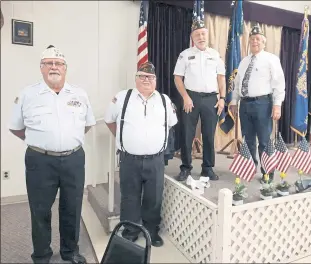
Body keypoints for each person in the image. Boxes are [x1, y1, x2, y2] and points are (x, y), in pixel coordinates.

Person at [8, 45, 96, 264]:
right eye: (49, 63)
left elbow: (87, 124)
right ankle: (41, 255)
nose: (54, 67)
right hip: (40, 160)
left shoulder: (79, 94)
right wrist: (41, 143)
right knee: (40, 210)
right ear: (41, 68)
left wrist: (66, 140)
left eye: (58, 64)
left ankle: (70, 252)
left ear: (65, 68)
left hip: (74, 159)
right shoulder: (27, 94)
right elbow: (16, 128)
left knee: (72, 207)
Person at [104, 62, 178, 247]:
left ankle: (152, 231)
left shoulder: (165, 100)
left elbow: (170, 125)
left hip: (155, 160)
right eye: (142, 76)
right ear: (136, 79)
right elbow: (110, 121)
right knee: (129, 196)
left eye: (150, 77)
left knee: (154, 197)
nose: (146, 79)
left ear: (155, 80)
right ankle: (130, 230)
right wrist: (126, 140)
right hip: (129, 159)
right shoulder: (122, 98)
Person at [229, 25, 286, 182]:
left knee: (264, 140)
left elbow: (279, 84)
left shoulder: (271, 59)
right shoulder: (243, 61)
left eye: (258, 39)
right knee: (247, 139)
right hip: (245, 105)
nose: (255, 41)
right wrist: (234, 101)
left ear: (264, 42)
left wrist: (277, 105)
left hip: (263, 104)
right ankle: (249, 169)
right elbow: (237, 83)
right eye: (252, 39)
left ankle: (267, 173)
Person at [173, 19, 226, 181]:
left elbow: (221, 78)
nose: (201, 37)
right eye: (197, 34)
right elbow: (177, 78)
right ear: (192, 37)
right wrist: (186, 97)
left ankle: (208, 168)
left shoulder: (215, 55)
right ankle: (186, 167)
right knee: (187, 133)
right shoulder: (185, 55)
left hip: (211, 98)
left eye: (203, 34)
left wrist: (222, 98)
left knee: (209, 134)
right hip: (191, 98)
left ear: (207, 35)